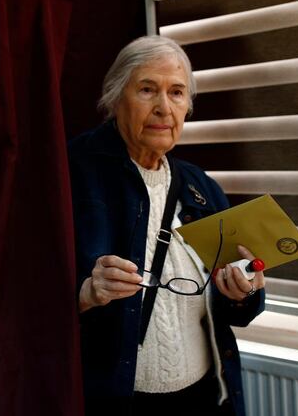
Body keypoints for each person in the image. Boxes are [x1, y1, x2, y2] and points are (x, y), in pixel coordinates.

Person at [68, 35, 265, 416]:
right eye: (147, 89)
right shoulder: (71, 172)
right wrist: (86, 292)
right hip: (113, 400)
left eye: (176, 93)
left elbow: (233, 312)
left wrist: (242, 291)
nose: (163, 107)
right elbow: (20, 297)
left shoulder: (201, 187)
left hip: (206, 394)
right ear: (114, 97)